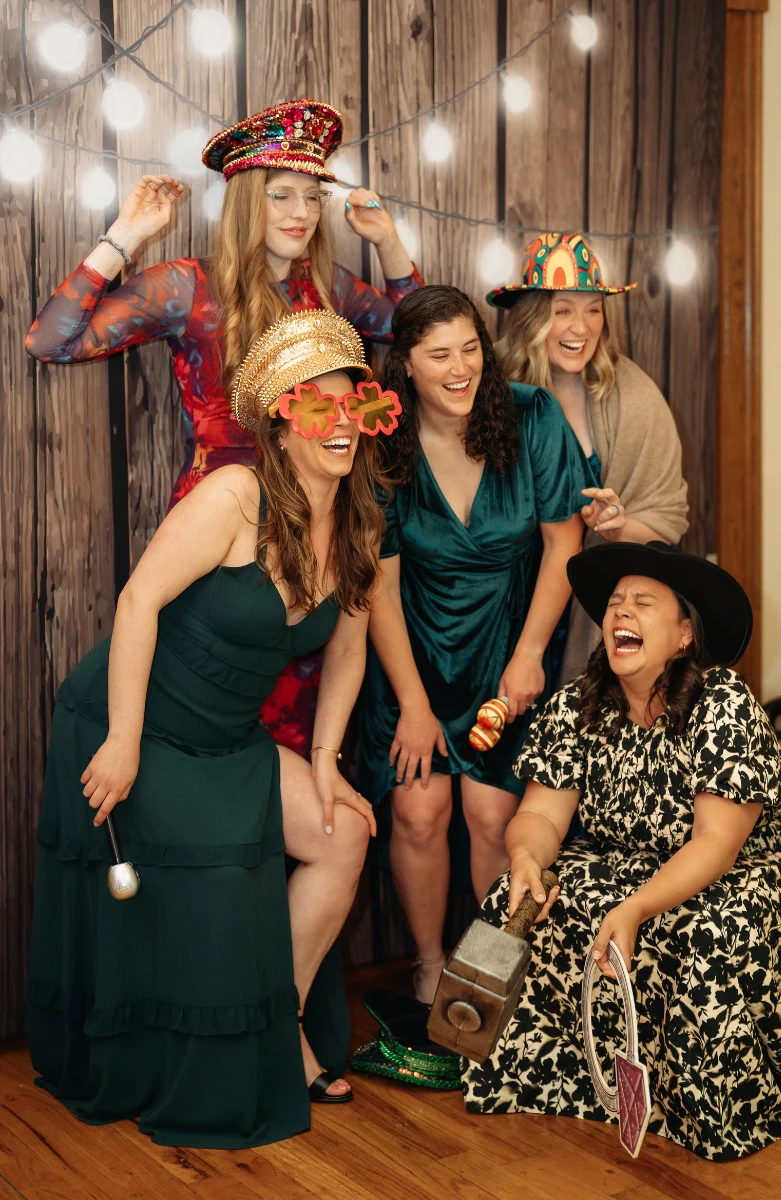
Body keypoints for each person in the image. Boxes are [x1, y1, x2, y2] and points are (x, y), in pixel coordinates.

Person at [27, 310, 397, 1148]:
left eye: (356, 405)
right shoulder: (235, 495)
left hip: (229, 740)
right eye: (318, 407)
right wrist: (121, 740)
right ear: (280, 420)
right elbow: (138, 602)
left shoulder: (363, 520)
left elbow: (347, 652)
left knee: (344, 835)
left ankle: (283, 1019)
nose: (341, 424)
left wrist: (329, 762)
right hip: (132, 722)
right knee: (226, 872)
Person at [24, 98, 423, 758]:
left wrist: (390, 245)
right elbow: (50, 340)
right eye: (281, 196)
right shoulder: (187, 287)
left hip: (313, 529)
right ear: (245, 201)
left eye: (312, 197)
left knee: (291, 741)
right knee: (204, 719)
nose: (300, 213)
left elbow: (421, 335)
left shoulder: (330, 288)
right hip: (223, 528)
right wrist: (126, 235)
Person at [461, 541, 781, 1160]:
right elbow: (541, 816)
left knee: (705, 927)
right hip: (629, 861)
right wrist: (525, 857)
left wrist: (631, 910)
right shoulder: (578, 705)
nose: (620, 613)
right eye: (613, 604)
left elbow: (715, 842)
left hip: (745, 875)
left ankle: (707, 1099)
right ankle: (573, 1079)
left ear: (685, 634)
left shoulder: (723, 704)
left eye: (643, 603)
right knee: (522, 896)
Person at [356, 284, 595, 1004]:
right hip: (415, 652)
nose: (460, 369)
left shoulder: (533, 414)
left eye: (471, 351)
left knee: (495, 816)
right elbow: (380, 585)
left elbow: (564, 545)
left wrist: (529, 657)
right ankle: (431, 969)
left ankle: (492, 975)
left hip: (509, 648)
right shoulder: (382, 436)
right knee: (418, 811)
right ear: (405, 364)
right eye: (439, 356)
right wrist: (412, 702)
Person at [489, 232, 689, 681]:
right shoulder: (491, 390)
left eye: (593, 309)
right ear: (532, 318)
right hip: (503, 610)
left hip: (594, 616)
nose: (581, 328)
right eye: (563, 311)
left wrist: (619, 527)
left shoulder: (634, 396)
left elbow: (666, 521)